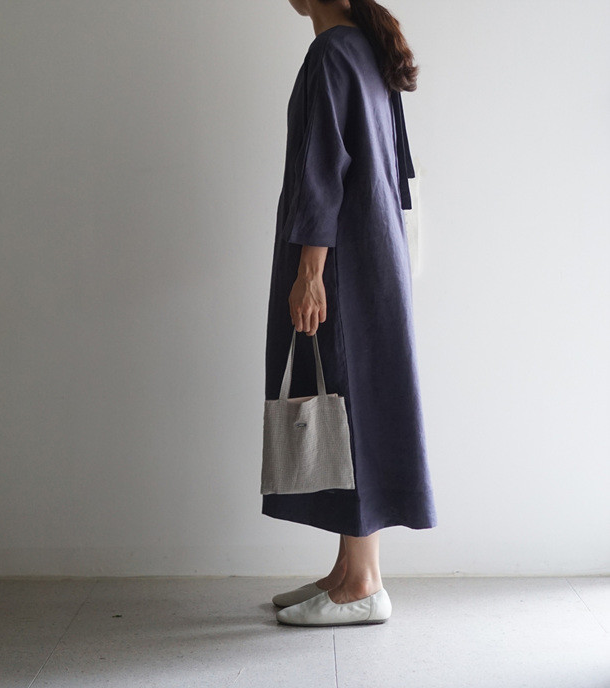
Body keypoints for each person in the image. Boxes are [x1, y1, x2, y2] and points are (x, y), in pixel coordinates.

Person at [263, 0, 438, 626]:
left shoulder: (332, 53)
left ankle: (363, 584)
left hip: (338, 258)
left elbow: (322, 172)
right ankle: (349, 569)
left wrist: (309, 273)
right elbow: (397, 169)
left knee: (345, 398)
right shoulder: (366, 49)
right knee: (351, 396)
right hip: (373, 252)